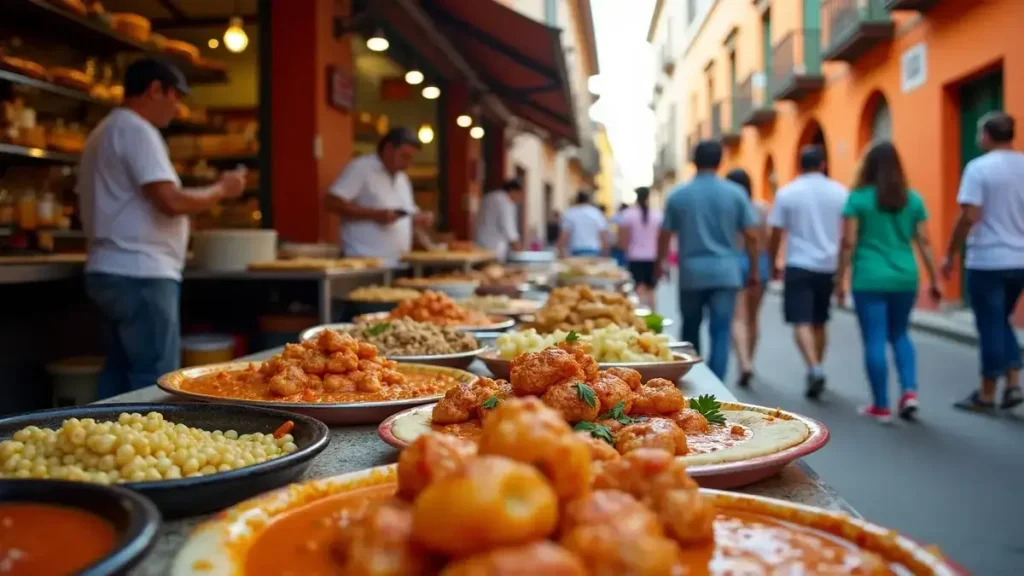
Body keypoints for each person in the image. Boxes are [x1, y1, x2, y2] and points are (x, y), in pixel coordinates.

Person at [77, 57, 246, 399]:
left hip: (110, 269)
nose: (178, 107)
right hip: (141, 273)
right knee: (152, 380)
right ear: (155, 90)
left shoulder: (104, 131)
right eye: (176, 96)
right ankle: (144, 453)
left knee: (118, 376)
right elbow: (171, 200)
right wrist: (221, 190)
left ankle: (104, 446)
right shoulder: (137, 130)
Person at [834, 141, 942, 423]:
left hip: (869, 278)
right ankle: (909, 392)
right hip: (905, 276)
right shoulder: (913, 199)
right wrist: (934, 278)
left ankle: (881, 406)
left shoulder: (857, 199)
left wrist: (839, 280)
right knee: (901, 334)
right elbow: (924, 241)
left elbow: (848, 243)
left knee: (875, 339)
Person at [943, 112, 1024, 413]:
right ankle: (1013, 383)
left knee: (990, 324)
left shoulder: (978, 168)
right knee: (1001, 320)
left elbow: (970, 216)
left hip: (988, 260)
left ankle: (987, 393)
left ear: (987, 135)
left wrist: (950, 252)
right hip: (1020, 260)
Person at [657, 140, 759, 380]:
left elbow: (664, 234)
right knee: (721, 332)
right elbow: (752, 236)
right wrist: (754, 269)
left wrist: (659, 263)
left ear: (694, 161)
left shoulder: (678, 195)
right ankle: (717, 387)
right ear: (720, 161)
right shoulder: (736, 194)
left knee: (690, 330)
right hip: (726, 272)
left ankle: (695, 382)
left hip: (692, 273)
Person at [768, 145, 847, 399]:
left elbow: (776, 233)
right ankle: (817, 367)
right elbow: (847, 233)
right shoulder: (840, 192)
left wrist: (772, 263)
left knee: (801, 320)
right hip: (828, 265)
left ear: (799, 165)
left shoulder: (787, 193)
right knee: (820, 320)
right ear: (823, 164)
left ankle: (814, 367)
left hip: (799, 264)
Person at [325, 128, 436, 263]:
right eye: (405, 156)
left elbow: (406, 213)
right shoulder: (361, 167)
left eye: (411, 158)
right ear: (388, 149)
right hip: (364, 261)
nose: (408, 163)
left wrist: (418, 218)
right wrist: (375, 215)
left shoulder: (403, 178)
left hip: (397, 261)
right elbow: (331, 202)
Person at [725, 169, 770, 388]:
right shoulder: (761, 208)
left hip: (735, 261)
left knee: (738, 317)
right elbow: (767, 239)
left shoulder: (727, 208)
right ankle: (750, 360)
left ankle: (743, 362)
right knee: (754, 317)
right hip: (760, 261)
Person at [619, 188, 662, 310]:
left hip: (635, 257)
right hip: (653, 257)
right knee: (651, 291)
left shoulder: (628, 214)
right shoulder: (657, 215)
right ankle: (652, 317)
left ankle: (640, 315)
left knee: (638, 289)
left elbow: (622, 240)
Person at [474, 179, 524, 260]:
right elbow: (508, 226)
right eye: (519, 194)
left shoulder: (489, 197)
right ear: (512, 190)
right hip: (495, 248)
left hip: (480, 243)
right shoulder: (505, 201)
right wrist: (518, 247)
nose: (519, 197)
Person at [558, 190, 608, 257]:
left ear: (577, 199)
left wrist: (561, 251)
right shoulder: (596, 213)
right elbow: (603, 234)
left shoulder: (570, 212)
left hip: (575, 250)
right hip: (594, 250)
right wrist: (605, 252)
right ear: (589, 200)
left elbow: (564, 235)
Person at [609, 202, 629, 267]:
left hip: (615, 244)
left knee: (616, 264)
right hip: (621, 244)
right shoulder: (626, 217)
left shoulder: (614, 217)